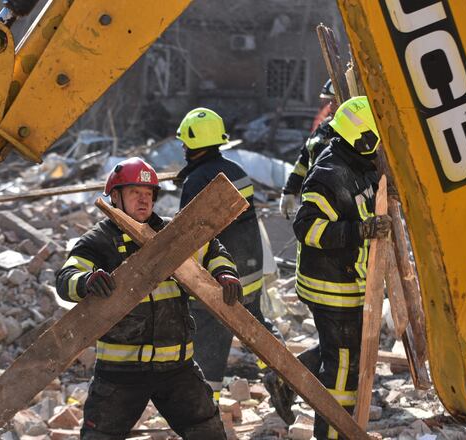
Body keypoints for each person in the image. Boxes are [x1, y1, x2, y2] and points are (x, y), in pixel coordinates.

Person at [56, 158, 242, 440]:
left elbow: (212, 251)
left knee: (208, 433)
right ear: (116, 196)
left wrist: (225, 274)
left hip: (177, 368)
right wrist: (85, 282)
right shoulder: (99, 241)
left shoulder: (172, 234)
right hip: (121, 373)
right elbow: (66, 279)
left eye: (148, 194)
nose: (144, 201)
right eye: (135, 193)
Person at [270, 96, 392, 438]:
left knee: (338, 354)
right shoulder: (330, 174)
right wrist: (360, 231)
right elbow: (306, 228)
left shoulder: (357, 163)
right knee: (343, 373)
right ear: (364, 138)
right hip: (332, 288)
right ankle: (332, 433)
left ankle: (286, 377)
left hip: (348, 281)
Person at [175, 107, 284, 402]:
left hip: (220, 282)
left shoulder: (196, 182)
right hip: (249, 272)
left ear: (193, 144)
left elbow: (191, 238)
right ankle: (283, 373)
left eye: (185, 142)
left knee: (210, 345)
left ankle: (205, 405)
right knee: (257, 325)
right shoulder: (237, 172)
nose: (183, 147)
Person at [280, 79, 340, 219]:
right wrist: (289, 190)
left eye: (335, 101)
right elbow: (303, 162)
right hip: (312, 203)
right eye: (329, 101)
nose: (331, 107)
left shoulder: (356, 131)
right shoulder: (323, 129)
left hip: (339, 207)